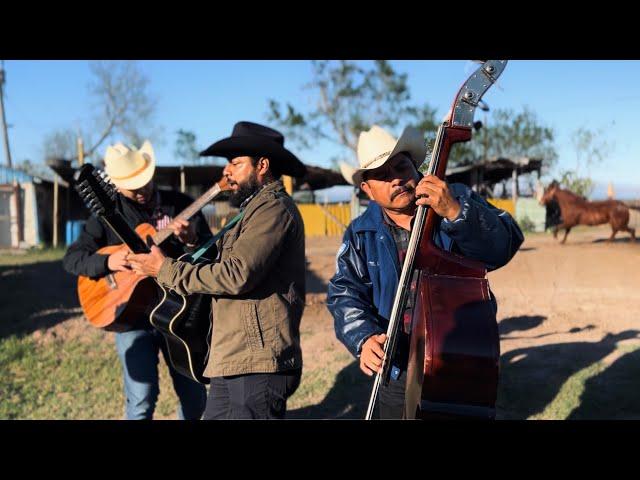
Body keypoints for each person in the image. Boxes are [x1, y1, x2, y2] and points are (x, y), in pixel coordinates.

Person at [328, 125, 524, 419]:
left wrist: (457, 213)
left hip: (458, 357)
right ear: (366, 189)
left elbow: (504, 245)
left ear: (415, 165)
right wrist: (364, 337)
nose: (396, 178)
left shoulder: (455, 197)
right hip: (395, 368)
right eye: (381, 175)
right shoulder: (360, 233)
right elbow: (345, 291)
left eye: (401, 166)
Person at [128, 122, 307, 419]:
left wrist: (164, 269)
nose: (227, 172)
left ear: (262, 165)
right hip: (233, 356)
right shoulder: (250, 211)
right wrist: (194, 242)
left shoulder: (273, 209)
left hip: (257, 360)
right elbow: (223, 266)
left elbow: (236, 275)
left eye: (235, 163)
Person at [63, 140, 212, 420]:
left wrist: (192, 241)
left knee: (194, 396)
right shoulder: (107, 214)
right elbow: (73, 258)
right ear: (117, 185)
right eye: (134, 187)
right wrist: (108, 262)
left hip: (179, 313)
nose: (142, 191)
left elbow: (210, 255)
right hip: (131, 317)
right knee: (141, 399)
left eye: (145, 182)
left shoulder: (179, 204)